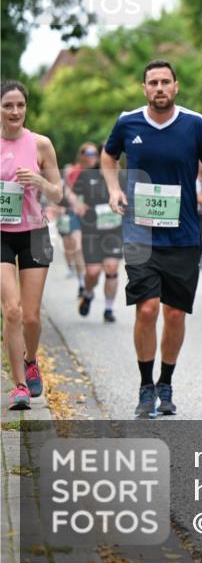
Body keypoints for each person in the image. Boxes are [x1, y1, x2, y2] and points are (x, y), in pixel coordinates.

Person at [101, 61, 202, 418]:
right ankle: (145, 385)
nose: (159, 88)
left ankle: (166, 382)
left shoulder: (195, 123)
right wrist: (113, 190)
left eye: (165, 82)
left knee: (173, 314)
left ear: (176, 86)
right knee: (147, 308)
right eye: (153, 82)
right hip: (140, 233)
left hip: (184, 234)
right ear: (143, 87)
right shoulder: (128, 122)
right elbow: (109, 156)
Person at [1, 80, 63, 409]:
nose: (14, 111)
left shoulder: (41, 144)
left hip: (35, 233)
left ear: (26, 108)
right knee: (12, 311)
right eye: (8, 105)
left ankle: (31, 358)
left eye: (20, 105)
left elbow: (58, 192)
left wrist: (39, 181)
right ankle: (20, 387)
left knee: (31, 317)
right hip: (1, 234)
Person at [68, 144, 124, 323]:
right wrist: (77, 203)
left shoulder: (123, 177)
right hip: (91, 231)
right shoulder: (87, 174)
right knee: (92, 272)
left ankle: (108, 309)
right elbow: (70, 192)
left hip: (114, 232)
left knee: (112, 268)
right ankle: (89, 292)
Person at [64, 145, 94, 294]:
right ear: (81, 155)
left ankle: (89, 279)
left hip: (92, 216)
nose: (91, 156)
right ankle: (82, 283)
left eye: (94, 153)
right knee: (77, 247)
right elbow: (67, 190)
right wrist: (76, 203)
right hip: (75, 213)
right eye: (88, 153)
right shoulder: (72, 171)